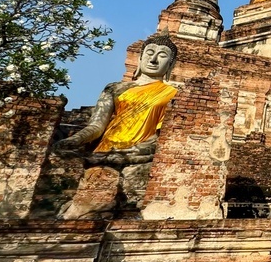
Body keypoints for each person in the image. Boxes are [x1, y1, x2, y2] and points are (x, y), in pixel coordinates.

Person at [54, 31, 180, 165]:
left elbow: (164, 135)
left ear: (171, 65)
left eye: (162, 55)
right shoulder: (115, 88)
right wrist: (74, 140)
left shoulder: (173, 94)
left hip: (139, 152)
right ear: (140, 58)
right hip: (105, 148)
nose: (153, 60)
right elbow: (97, 125)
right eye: (149, 53)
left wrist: (144, 148)